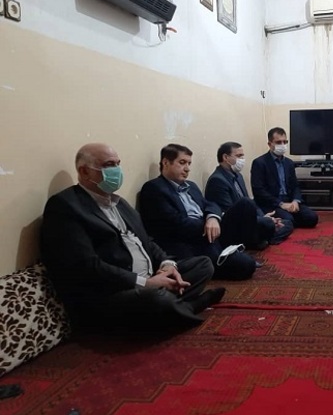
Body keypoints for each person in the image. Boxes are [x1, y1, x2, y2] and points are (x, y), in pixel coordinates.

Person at [40, 143, 225, 332]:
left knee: (203, 265)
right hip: (113, 291)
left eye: (117, 164)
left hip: (150, 277)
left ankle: (171, 307)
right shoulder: (65, 206)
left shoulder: (119, 203)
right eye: (109, 165)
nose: (117, 170)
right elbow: (87, 266)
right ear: (84, 171)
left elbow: (147, 241)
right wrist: (145, 283)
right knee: (156, 299)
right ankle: (189, 306)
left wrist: (167, 265)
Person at [139, 144, 260, 281]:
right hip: (190, 242)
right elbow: (175, 223)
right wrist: (206, 226)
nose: (187, 168)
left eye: (189, 163)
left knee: (246, 204)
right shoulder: (154, 188)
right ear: (166, 162)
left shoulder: (191, 186)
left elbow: (210, 204)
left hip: (210, 232)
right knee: (246, 265)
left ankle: (228, 251)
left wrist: (213, 219)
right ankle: (220, 259)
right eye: (182, 162)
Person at [205, 141, 294, 248]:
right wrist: (265, 220)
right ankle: (259, 239)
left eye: (242, 156)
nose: (242, 159)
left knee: (287, 223)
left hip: (250, 220)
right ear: (225, 157)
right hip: (236, 226)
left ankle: (262, 239)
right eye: (239, 156)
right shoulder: (217, 180)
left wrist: (263, 216)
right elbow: (231, 214)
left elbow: (251, 203)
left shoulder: (238, 176)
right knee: (268, 222)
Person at [250, 127, 319, 229]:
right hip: (272, 203)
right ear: (270, 144)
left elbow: (295, 185)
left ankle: (286, 222)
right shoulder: (260, 163)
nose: (282, 145)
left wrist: (295, 201)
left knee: (312, 218)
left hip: (289, 201)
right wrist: (281, 204)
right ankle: (283, 222)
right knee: (288, 220)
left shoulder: (289, 163)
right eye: (278, 142)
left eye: (285, 142)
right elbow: (259, 190)